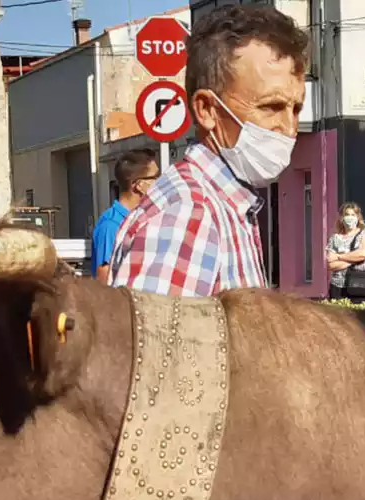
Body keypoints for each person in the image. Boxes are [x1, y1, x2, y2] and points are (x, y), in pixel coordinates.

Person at [109, 5, 309, 296]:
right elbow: (158, 341)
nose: (289, 128)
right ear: (207, 110)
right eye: (271, 107)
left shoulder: (226, 206)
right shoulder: (188, 216)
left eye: (296, 109)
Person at [90, 149, 159, 283]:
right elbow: (104, 280)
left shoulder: (141, 220)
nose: (161, 182)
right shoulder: (110, 226)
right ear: (139, 185)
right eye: (156, 177)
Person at [325, 202, 365, 303]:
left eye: (353, 215)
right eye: (347, 215)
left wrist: (339, 257)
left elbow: (364, 253)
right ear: (342, 218)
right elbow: (330, 263)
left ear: (358, 217)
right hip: (338, 287)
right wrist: (355, 259)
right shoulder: (335, 238)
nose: (350, 217)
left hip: (359, 285)